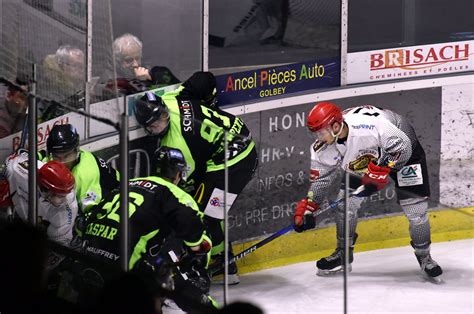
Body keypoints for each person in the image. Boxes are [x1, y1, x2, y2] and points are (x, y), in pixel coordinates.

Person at [133, 72, 259, 284]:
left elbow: (180, 187)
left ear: (163, 108)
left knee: (201, 214)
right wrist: (210, 101)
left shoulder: (177, 145)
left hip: (235, 164)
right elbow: (203, 78)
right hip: (236, 140)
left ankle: (221, 264)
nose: (162, 122)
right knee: (206, 210)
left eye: (163, 117)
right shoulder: (174, 97)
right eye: (155, 124)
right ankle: (222, 260)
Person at [293, 102, 443, 279]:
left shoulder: (370, 127)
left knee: (415, 209)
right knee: (345, 205)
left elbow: (403, 147)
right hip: (365, 158)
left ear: (335, 126)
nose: (318, 137)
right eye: (315, 132)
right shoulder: (322, 147)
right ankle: (343, 253)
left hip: (404, 154)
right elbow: (321, 180)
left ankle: (425, 256)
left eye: (321, 132)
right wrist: (311, 205)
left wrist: (383, 168)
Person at [82, 146, 217, 312]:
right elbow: (191, 225)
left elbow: (91, 217)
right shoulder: (176, 194)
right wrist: (197, 256)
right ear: (178, 174)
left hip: (88, 256)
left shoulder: (127, 184)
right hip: (124, 264)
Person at [0, 150, 78, 247]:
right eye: (59, 195)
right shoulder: (22, 171)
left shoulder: (65, 212)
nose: (64, 200)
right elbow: (13, 160)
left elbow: (59, 246)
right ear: (44, 188)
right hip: (21, 215)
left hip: (43, 233)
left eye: (64, 194)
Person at [40, 124, 120, 214]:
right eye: (56, 156)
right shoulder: (50, 159)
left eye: (67, 156)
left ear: (77, 150)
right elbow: (41, 155)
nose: (61, 163)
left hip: (116, 201)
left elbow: (92, 214)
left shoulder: (86, 174)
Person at [100, 33, 180, 100]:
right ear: (117, 61)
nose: (136, 64)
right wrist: (143, 83)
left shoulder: (146, 70)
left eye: (137, 58)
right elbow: (142, 103)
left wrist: (151, 79)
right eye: (128, 60)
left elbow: (176, 89)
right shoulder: (110, 80)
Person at [39, 45, 86, 121]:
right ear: (62, 67)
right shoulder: (51, 94)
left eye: (82, 66)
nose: (81, 70)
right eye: (76, 65)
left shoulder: (81, 92)